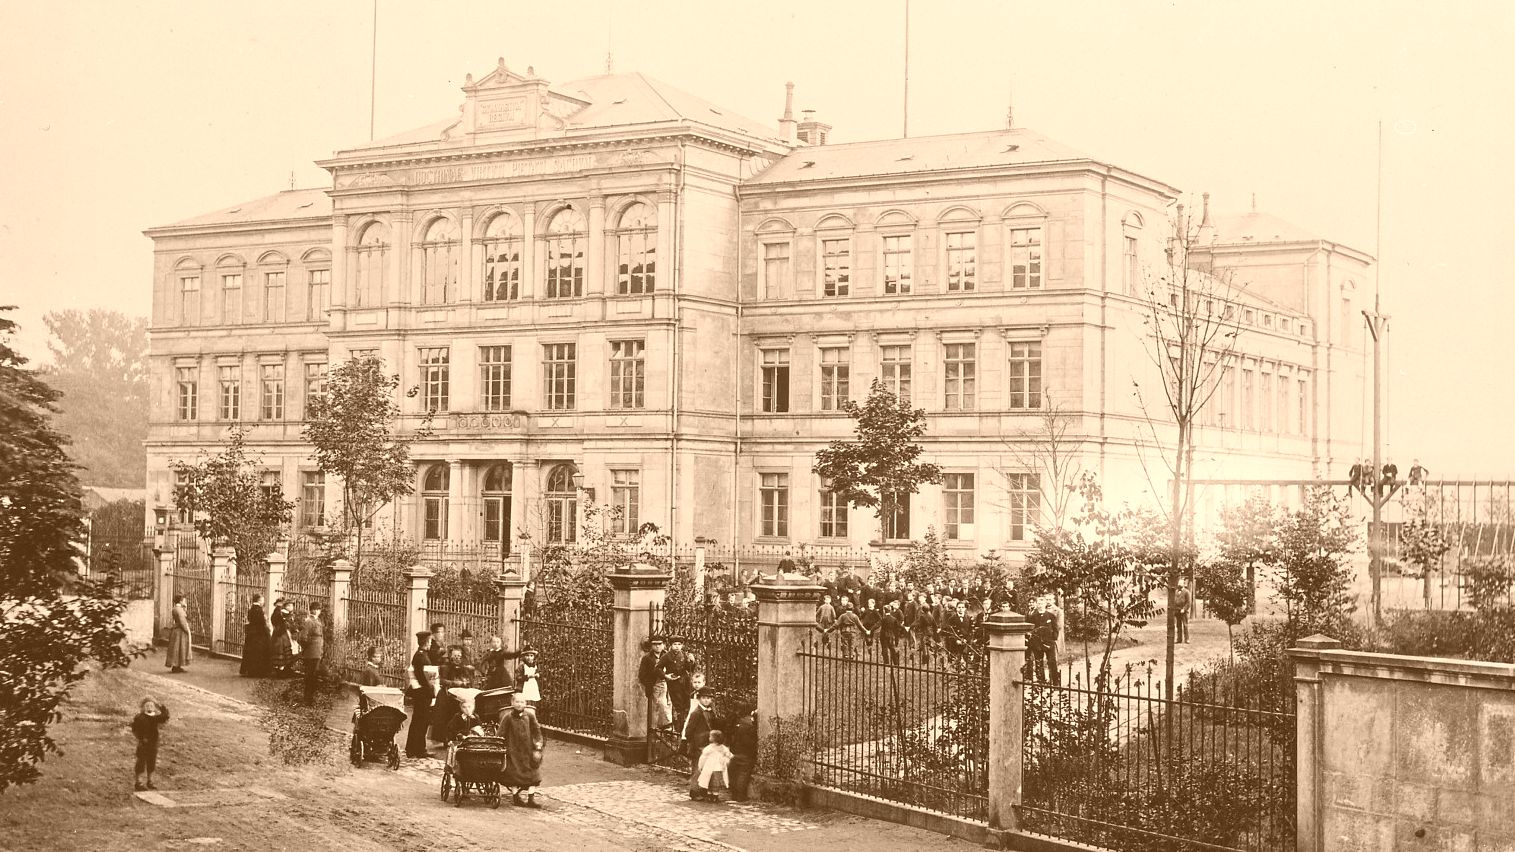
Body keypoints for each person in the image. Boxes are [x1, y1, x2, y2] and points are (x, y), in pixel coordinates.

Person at [500, 693, 544, 808]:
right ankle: (516, 797)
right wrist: (501, 746)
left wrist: (538, 744)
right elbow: (501, 733)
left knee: (533, 774)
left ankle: (531, 798)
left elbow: (536, 730)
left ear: (525, 703)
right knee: (514, 774)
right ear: (512, 703)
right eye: (517, 702)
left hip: (528, 750)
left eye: (522, 702)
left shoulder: (529, 716)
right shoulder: (508, 717)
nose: (519, 704)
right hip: (513, 750)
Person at [405, 631, 436, 758]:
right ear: (426, 642)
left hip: (419, 693)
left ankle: (412, 748)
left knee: (418, 721)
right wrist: (432, 690)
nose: (430, 644)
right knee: (421, 722)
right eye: (430, 642)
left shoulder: (419, 655)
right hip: (423, 693)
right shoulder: (422, 657)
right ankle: (418, 749)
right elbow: (425, 678)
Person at [131, 697, 170, 791]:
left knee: (151, 762)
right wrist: (141, 738)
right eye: (147, 705)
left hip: (153, 743)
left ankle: (150, 781)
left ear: (154, 708)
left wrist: (160, 706)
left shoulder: (155, 717)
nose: (149, 707)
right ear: (143, 707)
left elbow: (165, 716)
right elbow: (135, 729)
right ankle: (138, 782)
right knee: (141, 762)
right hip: (144, 743)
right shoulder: (140, 717)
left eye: (151, 705)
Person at [682, 687, 716, 790]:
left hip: (708, 745)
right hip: (698, 746)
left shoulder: (711, 712)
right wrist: (694, 741)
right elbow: (689, 731)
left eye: (709, 698)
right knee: (697, 769)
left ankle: (703, 790)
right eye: (704, 698)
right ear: (699, 699)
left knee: (707, 769)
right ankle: (694, 791)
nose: (706, 700)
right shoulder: (696, 713)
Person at [660, 638, 695, 731]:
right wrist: (666, 676)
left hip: (685, 682)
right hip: (674, 683)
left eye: (679, 644)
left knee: (687, 704)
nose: (677, 646)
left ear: (682, 646)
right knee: (678, 706)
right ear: (671, 645)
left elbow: (689, 668)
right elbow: (657, 669)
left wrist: (691, 661)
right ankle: (678, 728)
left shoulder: (684, 655)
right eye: (675, 644)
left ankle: (686, 727)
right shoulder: (667, 656)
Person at [639, 636, 673, 730]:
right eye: (655, 644)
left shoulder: (668, 655)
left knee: (669, 704)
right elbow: (642, 675)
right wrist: (649, 684)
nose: (657, 646)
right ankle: (667, 725)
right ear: (651, 645)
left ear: (664, 645)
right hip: (656, 684)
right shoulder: (647, 658)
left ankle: (663, 728)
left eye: (660, 644)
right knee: (660, 704)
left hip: (669, 683)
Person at [691, 729, 732, 802]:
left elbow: (703, 758)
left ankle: (710, 796)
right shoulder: (723, 748)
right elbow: (729, 755)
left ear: (713, 739)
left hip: (709, 768)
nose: (709, 737)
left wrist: (700, 766)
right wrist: (725, 761)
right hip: (718, 768)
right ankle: (715, 796)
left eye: (710, 736)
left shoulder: (709, 748)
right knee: (715, 783)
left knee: (709, 782)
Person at [1027, 597, 1061, 685]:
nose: (1040, 605)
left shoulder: (1051, 616)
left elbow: (1055, 628)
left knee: (1052, 661)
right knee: (1038, 661)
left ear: (1045, 605)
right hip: (1037, 643)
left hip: (1049, 642)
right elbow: (1030, 629)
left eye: (1042, 604)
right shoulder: (1032, 617)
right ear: (1036, 605)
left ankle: (1055, 681)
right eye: (1038, 604)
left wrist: (1053, 638)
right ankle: (1041, 681)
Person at [298, 602, 326, 705]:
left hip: (316, 652)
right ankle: (307, 699)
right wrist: (307, 648)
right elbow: (302, 638)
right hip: (311, 653)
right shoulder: (309, 621)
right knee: (310, 676)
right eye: (317, 609)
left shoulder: (316, 620)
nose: (319, 611)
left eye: (319, 609)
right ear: (313, 610)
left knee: (313, 676)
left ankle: (310, 698)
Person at [728, 708, 757, 801]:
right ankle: (740, 796)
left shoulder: (738, 723)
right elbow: (750, 742)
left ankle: (733, 794)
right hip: (746, 753)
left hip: (736, 752)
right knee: (743, 775)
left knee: (734, 773)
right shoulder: (750, 725)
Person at [239, 594, 271, 677]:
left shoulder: (251, 609)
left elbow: (250, 620)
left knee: (251, 652)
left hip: (252, 634)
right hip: (259, 634)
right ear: (259, 600)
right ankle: (258, 671)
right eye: (262, 600)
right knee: (259, 653)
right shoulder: (259, 610)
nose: (263, 602)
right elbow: (262, 623)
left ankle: (250, 670)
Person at [165, 594, 192, 673]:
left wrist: (185, 608)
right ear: (180, 601)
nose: (185, 602)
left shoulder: (176, 609)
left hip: (177, 631)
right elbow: (182, 621)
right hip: (180, 631)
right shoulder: (179, 610)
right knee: (178, 648)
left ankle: (177, 665)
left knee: (178, 648)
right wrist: (187, 630)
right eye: (184, 600)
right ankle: (176, 666)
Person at [270, 599, 294, 676]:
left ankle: (282, 669)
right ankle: (281, 670)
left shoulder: (279, 612)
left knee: (282, 651)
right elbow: (277, 622)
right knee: (282, 651)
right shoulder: (279, 612)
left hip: (280, 633)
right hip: (280, 634)